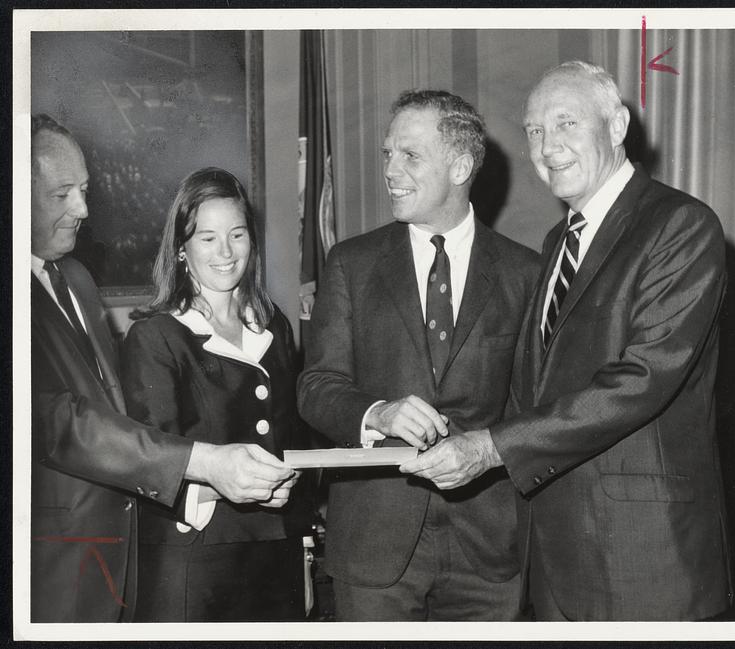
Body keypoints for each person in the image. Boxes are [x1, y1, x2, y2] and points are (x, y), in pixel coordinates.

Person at [401, 61, 732, 621]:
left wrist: (489, 447)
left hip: (644, 558)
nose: (548, 146)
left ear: (618, 125)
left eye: (566, 123)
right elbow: (537, 384)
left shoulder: (680, 225)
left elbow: (641, 380)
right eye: (534, 131)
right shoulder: (558, 240)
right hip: (555, 554)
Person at [30, 115, 297, 623]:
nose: (84, 209)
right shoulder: (157, 334)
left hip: (172, 551)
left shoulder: (76, 279)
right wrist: (209, 467)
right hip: (82, 551)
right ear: (181, 249)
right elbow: (60, 420)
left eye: (84, 190)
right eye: (62, 193)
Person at [297, 90, 541, 621]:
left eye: (409, 155)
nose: (390, 170)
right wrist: (376, 413)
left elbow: (537, 408)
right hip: (374, 545)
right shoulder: (351, 264)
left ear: (459, 166)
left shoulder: (526, 273)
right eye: (387, 154)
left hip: (490, 549)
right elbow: (317, 386)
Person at [120, 167, 312, 622]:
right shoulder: (156, 336)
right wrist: (227, 489)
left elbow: (295, 440)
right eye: (207, 238)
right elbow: (147, 463)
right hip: (192, 554)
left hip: (275, 552)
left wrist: (302, 547)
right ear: (182, 249)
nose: (225, 253)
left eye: (237, 234)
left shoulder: (274, 326)